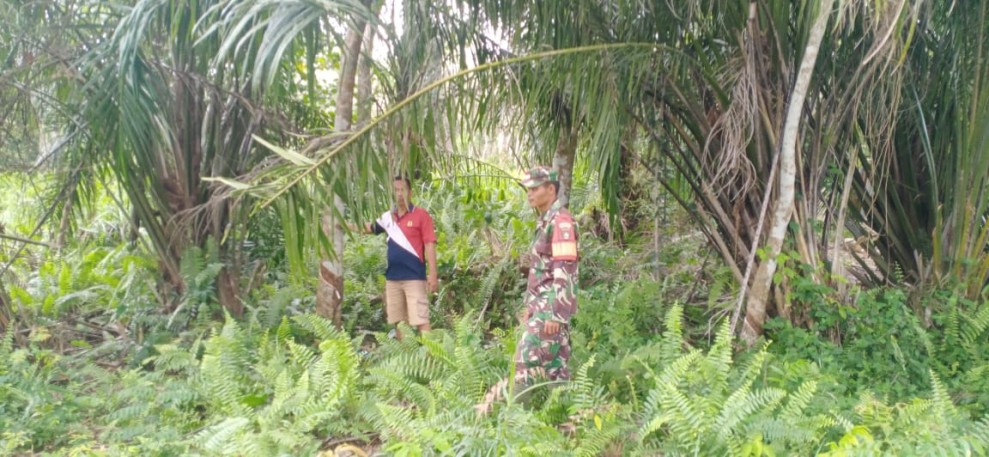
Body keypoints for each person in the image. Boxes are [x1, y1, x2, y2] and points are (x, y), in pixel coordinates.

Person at [477, 166, 579, 414]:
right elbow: (540, 272)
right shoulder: (545, 221)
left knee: (523, 362)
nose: (529, 193)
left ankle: (515, 423)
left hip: (550, 309)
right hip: (541, 306)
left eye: (534, 188)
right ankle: (567, 420)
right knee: (557, 365)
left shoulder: (561, 222)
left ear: (551, 189)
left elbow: (565, 271)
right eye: (528, 189)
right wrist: (529, 306)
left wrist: (555, 314)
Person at [354, 176, 438, 339]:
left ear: (410, 192)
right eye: (396, 190)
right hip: (393, 279)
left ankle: (431, 358)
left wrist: (433, 275)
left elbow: (430, 244)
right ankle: (405, 358)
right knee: (400, 322)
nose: (399, 194)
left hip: (415, 278)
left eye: (403, 190)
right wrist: (343, 224)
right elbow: (369, 228)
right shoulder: (388, 217)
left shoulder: (421, 215)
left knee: (422, 320)